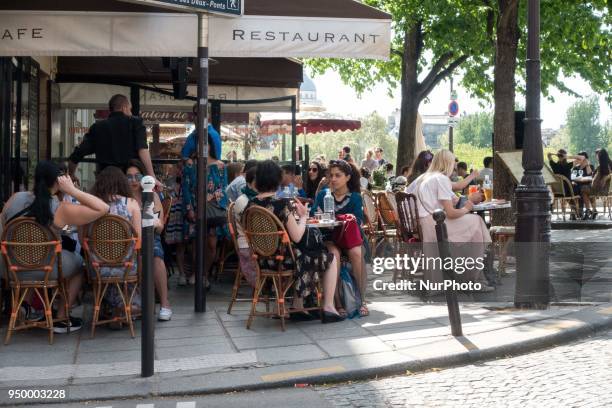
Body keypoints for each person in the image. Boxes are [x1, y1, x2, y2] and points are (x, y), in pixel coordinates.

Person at [0, 161, 110, 333]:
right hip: (44, 269)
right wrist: (72, 190)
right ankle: (61, 316)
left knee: (32, 257)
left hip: (10, 267)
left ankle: (25, 306)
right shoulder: (61, 208)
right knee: (79, 265)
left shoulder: (15, 198)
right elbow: (103, 208)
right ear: (59, 181)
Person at [246, 160, 344, 323]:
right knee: (330, 257)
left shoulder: (251, 204)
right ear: (277, 179)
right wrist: (304, 215)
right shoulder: (281, 203)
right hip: (286, 261)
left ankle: (298, 306)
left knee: (304, 251)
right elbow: (298, 235)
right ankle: (328, 306)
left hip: (263, 260)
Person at [406, 150, 493, 291]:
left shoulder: (423, 177)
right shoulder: (440, 179)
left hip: (418, 226)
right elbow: (451, 213)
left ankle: (466, 275)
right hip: (433, 226)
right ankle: (471, 279)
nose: (454, 167)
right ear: (449, 164)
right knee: (477, 222)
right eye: (453, 163)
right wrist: (467, 207)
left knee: (471, 225)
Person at [311, 159, 368, 317]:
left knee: (357, 253)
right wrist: (320, 216)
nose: (333, 179)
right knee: (334, 255)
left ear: (348, 177)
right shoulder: (324, 194)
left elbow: (358, 220)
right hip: (329, 237)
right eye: (331, 175)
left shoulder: (355, 197)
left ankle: (362, 300)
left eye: (338, 175)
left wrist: (339, 218)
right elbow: (312, 216)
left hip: (349, 237)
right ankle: (337, 302)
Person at [89, 166, 144, 322]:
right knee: (141, 259)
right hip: (126, 267)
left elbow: (82, 240)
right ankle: (125, 307)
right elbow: (138, 239)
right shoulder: (132, 204)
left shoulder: (91, 205)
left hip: (99, 268)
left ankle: (109, 307)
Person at [68, 94, 156, 181]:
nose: (131, 113)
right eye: (130, 109)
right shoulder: (135, 123)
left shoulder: (97, 127)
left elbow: (78, 154)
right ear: (124, 108)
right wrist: (152, 176)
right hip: (130, 180)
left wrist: (71, 174)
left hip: (106, 182)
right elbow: (142, 150)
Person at [125, 160, 172, 320]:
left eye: (137, 176)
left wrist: (150, 220)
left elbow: (159, 227)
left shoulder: (150, 196)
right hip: (128, 240)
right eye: (129, 177)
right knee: (138, 256)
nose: (134, 181)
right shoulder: (123, 198)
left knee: (155, 255)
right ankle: (139, 303)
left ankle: (165, 303)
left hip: (150, 236)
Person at [182, 129, 228, 288]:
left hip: (213, 209)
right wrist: (190, 209)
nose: (203, 146)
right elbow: (186, 188)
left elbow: (224, 188)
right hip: (195, 208)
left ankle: (204, 274)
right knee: (196, 243)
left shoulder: (221, 166)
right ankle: (196, 272)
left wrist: (212, 196)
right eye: (199, 143)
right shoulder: (190, 164)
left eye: (206, 143)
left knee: (211, 244)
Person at [232, 166, 259, 287]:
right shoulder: (244, 201)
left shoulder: (252, 199)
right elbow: (253, 228)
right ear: (249, 183)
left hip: (253, 246)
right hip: (250, 249)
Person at [571, 152, 595, 220]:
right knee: (572, 189)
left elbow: (590, 175)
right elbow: (572, 177)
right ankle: (575, 211)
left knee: (583, 189)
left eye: (583, 159)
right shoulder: (576, 168)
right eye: (579, 158)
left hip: (587, 185)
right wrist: (572, 181)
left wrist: (587, 165)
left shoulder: (590, 166)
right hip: (577, 185)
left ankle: (586, 211)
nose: (581, 160)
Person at [590, 148, 611, 219]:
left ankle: (593, 210)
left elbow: (596, 180)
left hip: (603, 189)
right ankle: (594, 210)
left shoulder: (604, 165)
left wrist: (605, 178)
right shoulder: (605, 164)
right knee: (587, 190)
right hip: (603, 188)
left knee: (586, 191)